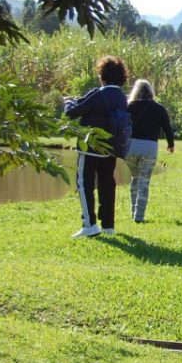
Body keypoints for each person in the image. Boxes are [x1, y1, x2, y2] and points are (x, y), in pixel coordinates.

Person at [64, 55, 129, 238]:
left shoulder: (99, 94)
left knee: (84, 184)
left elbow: (71, 112)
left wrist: (67, 101)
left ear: (103, 75)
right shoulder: (122, 97)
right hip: (111, 148)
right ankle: (108, 225)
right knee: (107, 183)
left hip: (90, 146)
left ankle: (89, 224)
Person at [125, 79, 176, 223]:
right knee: (144, 181)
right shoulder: (159, 109)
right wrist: (171, 144)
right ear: (151, 92)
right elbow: (167, 128)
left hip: (130, 148)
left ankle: (132, 211)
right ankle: (139, 216)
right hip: (149, 149)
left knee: (135, 178)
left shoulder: (129, 106)